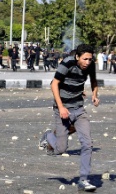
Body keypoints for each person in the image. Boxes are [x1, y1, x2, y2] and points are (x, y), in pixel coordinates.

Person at [39, 44, 100, 192]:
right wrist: (61, 107)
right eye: (85, 59)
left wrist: (94, 95)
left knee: (87, 144)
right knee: (61, 149)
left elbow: (93, 81)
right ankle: (48, 135)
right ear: (77, 57)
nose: (87, 62)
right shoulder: (67, 63)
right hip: (63, 108)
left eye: (90, 59)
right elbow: (54, 84)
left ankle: (84, 180)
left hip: (79, 109)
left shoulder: (90, 66)